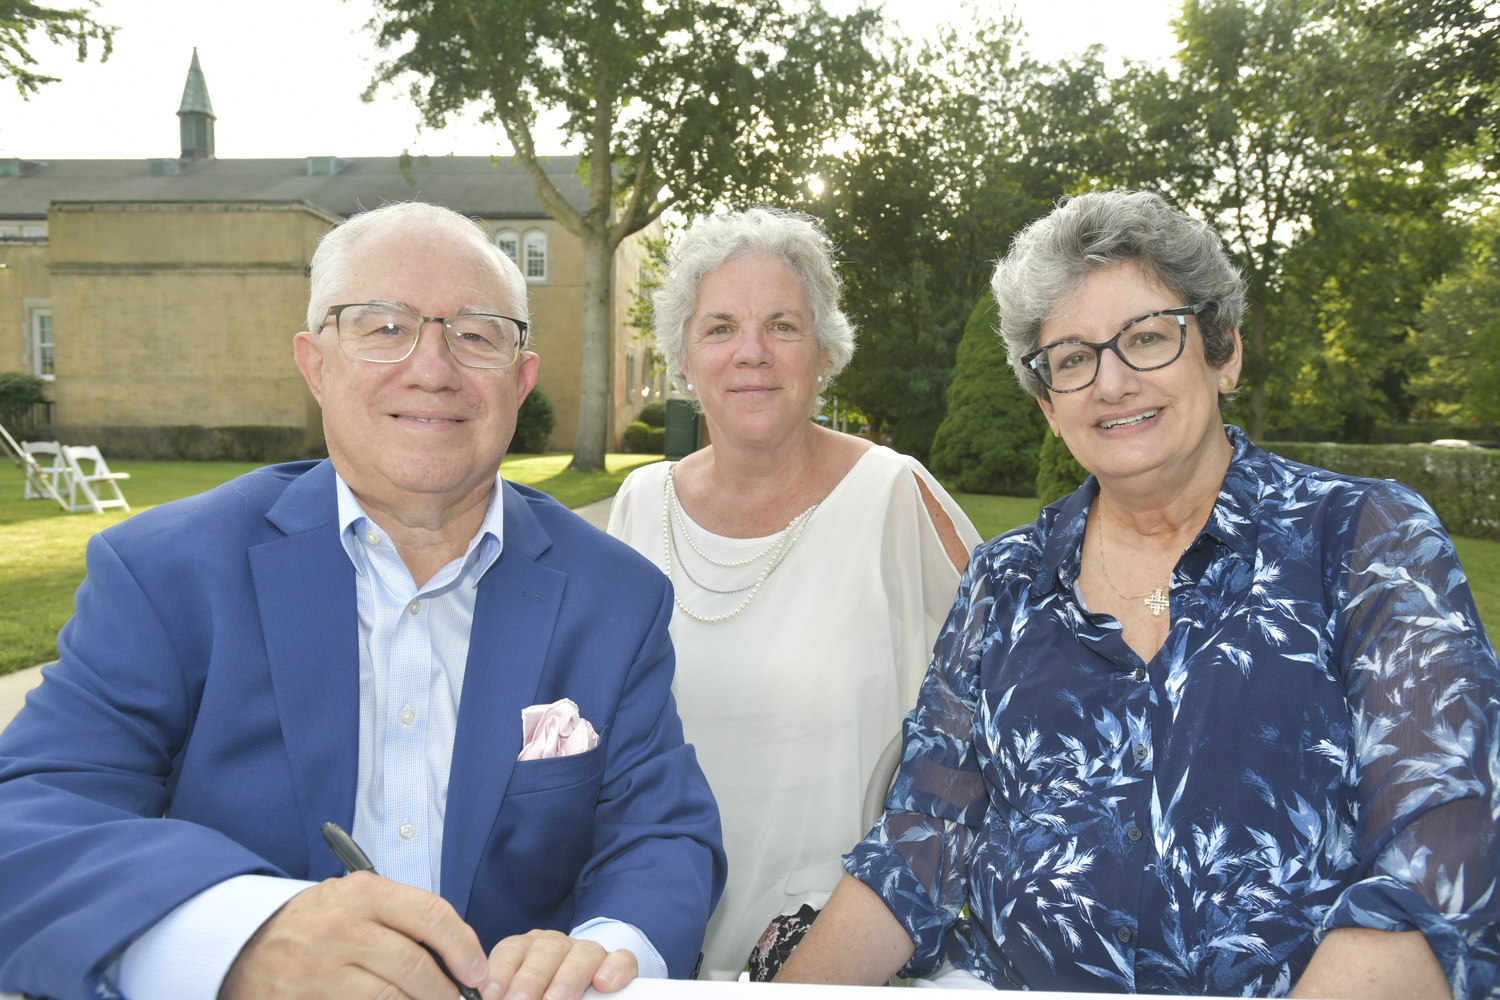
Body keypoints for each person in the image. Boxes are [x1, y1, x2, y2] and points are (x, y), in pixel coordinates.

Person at [776, 189, 1500, 997]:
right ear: (1049, 404)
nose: (1111, 383)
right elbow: (923, 842)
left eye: (1148, 338)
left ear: (1223, 353)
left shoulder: (1366, 538)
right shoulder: (1006, 580)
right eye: (1074, 359)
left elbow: (1440, 860)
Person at [0, 202, 725, 1000]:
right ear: (316, 364)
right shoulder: (167, 573)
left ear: (521, 380)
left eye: (477, 333)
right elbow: (29, 820)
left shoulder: (615, 597)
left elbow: (663, 833)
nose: (432, 367)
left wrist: (603, 954)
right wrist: (241, 934)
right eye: (383, 327)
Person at [607, 207, 981, 980]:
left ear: (823, 349)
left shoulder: (894, 496)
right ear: (683, 354)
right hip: (648, 954)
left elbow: (996, 731)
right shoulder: (639, 505)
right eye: (719, 328)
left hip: (838, 964)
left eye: (781, 325)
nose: (751, 352)